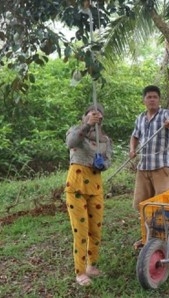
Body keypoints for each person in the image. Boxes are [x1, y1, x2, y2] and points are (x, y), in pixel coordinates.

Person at [64, 104, 112, 287]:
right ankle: (80, 271)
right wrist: (86, 126)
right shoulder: (76, 131)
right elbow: (71, 143)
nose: (95, 117)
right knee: (80, 230)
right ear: (84, 116)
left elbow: (109, 160)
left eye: (98, 115)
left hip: (96, 185)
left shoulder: (105, 139)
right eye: (91, 114)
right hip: (76, 185)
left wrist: (102, 164)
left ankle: (92, 265)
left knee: (96, 229)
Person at [129, 85, 169, 213]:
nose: (152, 100)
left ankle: (165, 230)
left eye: (155, 97)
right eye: (149, 97)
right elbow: (134, 136)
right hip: (143, 167)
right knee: (142, 204)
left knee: (164, 203)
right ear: (144, 100)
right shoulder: (140, 118)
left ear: (159, 100)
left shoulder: (166, 114)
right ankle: (148, 228)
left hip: (161, 166)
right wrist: (132, 149)